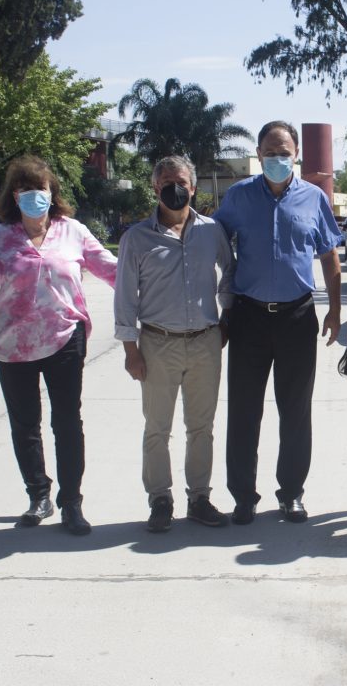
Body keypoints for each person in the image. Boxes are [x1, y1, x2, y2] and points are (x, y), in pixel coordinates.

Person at [214, 120, 344, 525]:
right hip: (248, 317)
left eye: (283, 152)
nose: (277, 159)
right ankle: (243, 497)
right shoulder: (238, 197)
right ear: (258, 154)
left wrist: (335, 310)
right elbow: (213, 245)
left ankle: (291, 494)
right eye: (269, 153)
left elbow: (329, 255)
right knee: (244, 412)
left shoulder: (314, 198)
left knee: (296, 412)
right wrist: (218, 308)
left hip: (297, 317)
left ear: (297, 154)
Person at [0, 156, 117, 536]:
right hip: (12, 344)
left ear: (52, 192)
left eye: (40, 188)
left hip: (65, 338)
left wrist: (150, 283)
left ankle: (71, 502)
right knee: (25, 424)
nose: (34, 196)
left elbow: (111, 268)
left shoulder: (72, 231)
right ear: (14, 196)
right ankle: (38, 495)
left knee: (67, 421)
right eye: (25, 189)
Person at [115, 156, 235, 531]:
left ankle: (199, 498)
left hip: (205, 343)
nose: (174, 188)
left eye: (181, 181)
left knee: (201, 427)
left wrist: (226, 319)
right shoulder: (137, 238)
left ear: (193, 187)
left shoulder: (212, 231)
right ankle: (160, 500)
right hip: (158, 344)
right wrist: (131, 350)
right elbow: (125, 297)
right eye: (166, 182)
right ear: (155, 188)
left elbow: (230, 272)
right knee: (157, 428)